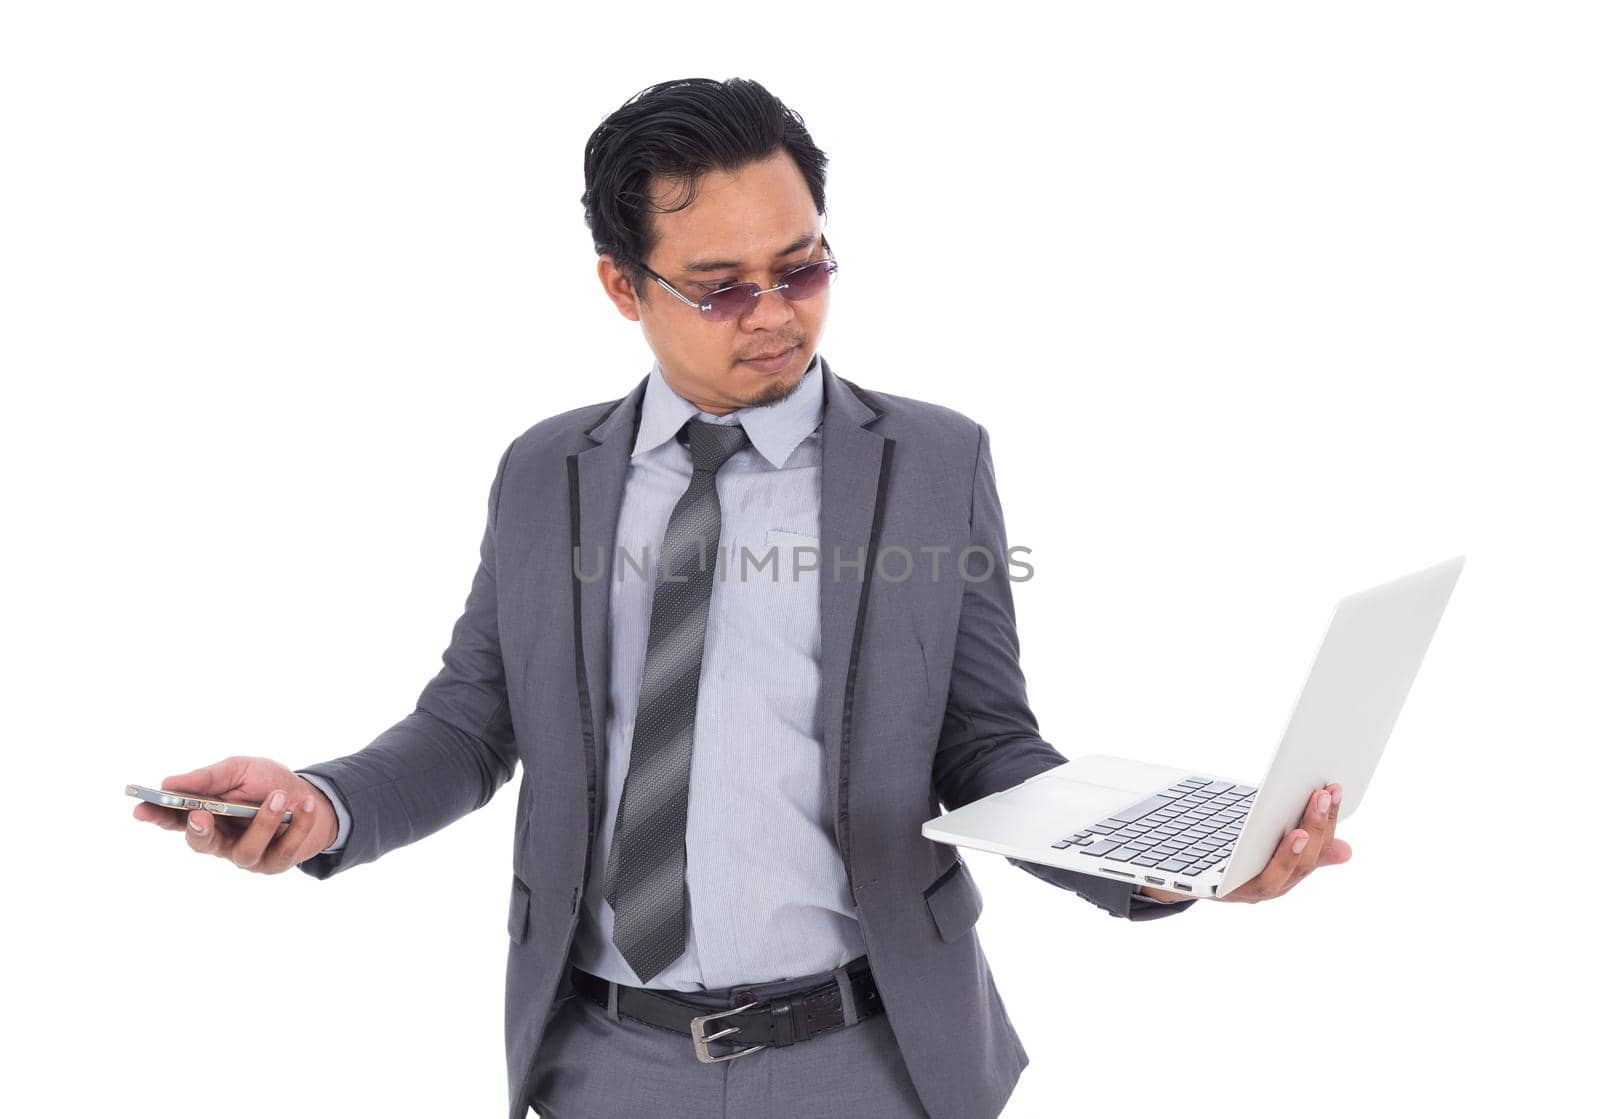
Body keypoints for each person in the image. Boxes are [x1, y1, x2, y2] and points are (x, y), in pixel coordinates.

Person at [132, 77, 1351, 1119]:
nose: (773, 315)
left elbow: (983, 745)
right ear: (622, 285)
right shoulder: (543, 472)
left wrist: (1158, 861)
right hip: (604, 1062)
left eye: (802, 266)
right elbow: (471, 722)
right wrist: (325, 801)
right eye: (719, 286)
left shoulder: (933, 463)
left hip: (876, 1062)